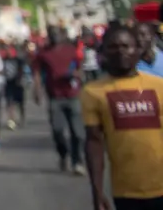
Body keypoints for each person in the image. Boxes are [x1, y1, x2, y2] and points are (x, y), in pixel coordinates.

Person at [80, 23, 163, 210]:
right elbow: (94, 143)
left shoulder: (159, 86)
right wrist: (97, 191)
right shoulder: (93, 92)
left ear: (137, 50)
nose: (120, 52)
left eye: (126, 46)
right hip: (126, 193)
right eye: (113, 47)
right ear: (104, 53)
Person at [34, 25, 87, 175]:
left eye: (56, 33)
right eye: (51, 34)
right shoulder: (43, 53)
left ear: (62, 35)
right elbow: (37, 72)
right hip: (55, 96)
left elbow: (80, 65)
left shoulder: (70, 49)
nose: (54, 36)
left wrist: (77, 74)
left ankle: (78, 162)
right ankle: (63, 154)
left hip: (72, 94)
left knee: (77, 132)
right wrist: (37, 90)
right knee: (58, 130)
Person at [2, 41, 28, 129]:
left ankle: (22, 118)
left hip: (17, 83)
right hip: (8, 83)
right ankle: (11, 120)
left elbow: (22, 70)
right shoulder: (4, 60)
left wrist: (20, 79)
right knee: (9, 102)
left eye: (9, 50)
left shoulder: (18, 60)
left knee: (20, 102)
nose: (8, 52)